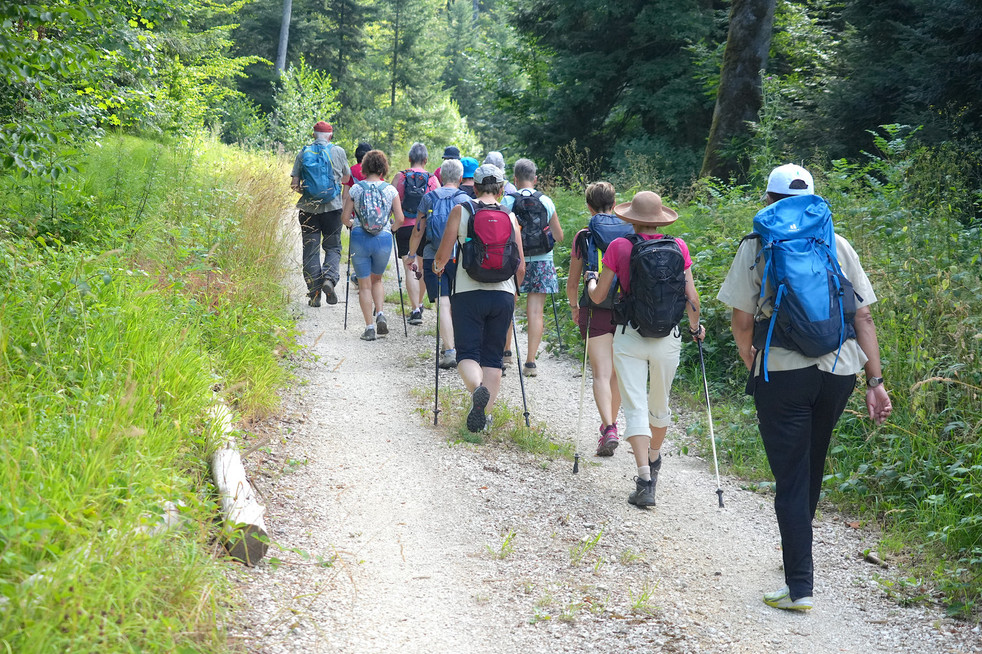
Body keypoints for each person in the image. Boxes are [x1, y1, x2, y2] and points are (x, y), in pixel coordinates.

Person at [716, 163, 892, 612]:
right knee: (811, 462)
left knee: (791, 477)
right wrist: (875, 380)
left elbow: (740, 320)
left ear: (768, 200)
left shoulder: (758, 244)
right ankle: (798, 558)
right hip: (839, 371)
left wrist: (754, 362)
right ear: (813, 198)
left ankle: (800, 586)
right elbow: (863, 317)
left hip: (784, 370)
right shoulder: (835, 242)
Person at [586, 190, 703, 507]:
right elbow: (692, 298)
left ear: (631, 219)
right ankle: (654, 458)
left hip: (630, 336)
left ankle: (644, 480)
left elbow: (599, 298)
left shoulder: (619, 247)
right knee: (659, 404)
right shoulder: (679, 247)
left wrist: (591, 281)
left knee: (635, 406)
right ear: (659, 219)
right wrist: (695, 328)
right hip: (668, 338)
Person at [432, 164, 526, 432]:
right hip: (503, 294)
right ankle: (485, 418)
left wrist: (437, 268)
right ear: (500, 188)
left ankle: (477, 390)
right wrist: (515, 291)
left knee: (468, 353)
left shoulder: (461, 211)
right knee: (493, 358)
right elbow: (519, 265)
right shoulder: (510, 217)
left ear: (474, 186)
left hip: (467, 292)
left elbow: (443, 254)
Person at [566, 181, 627, 455]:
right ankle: (609, 426)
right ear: (615, 204)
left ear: (589, 206)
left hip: (595, 307)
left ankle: (609, 427)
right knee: (615, 375)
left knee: (601, 374)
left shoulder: (584, 235)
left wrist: (574, 307)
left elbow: (572, 281)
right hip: (625, 311)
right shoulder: (630, 232)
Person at [502, 158, 564, 377]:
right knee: (535, 312)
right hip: (542, 260)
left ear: (515, 179)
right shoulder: (546, 201)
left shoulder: (507, 201)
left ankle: (506, 353)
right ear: (535, 179)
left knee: (508, 305)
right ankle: (530, 363)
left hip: (514, 261)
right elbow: (559, 235)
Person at [409, 158, 469, 369]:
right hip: (460, 258)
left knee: (443, 302)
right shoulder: (466, 199)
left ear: (441, 177)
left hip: (434, 256)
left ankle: (449, 350)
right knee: (459, 303)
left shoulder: (429, 197)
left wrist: (411, 254)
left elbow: (418, 230)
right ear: (461, 178)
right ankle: (463, 347)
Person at [341, 150, 405, 341]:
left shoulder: (356, 190)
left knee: (364, 285)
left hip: (360, 237)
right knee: (377, 280)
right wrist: (390, 229)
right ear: (383, 168)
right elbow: (400, 219)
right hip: (383, 238)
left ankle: (369, 327)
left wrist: (354, 225)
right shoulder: (390, 190)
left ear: (365, 167)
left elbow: (345, 219)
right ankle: (381, 314)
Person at [290, 121, 351, 307]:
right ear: (330, 136)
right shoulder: (338, 152)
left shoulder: (303, 152)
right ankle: (329, 280)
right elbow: (347, 178)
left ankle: (314, 294)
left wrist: (308, 193)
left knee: (310, 251)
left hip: (308, 210)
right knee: (332, 247)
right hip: (333, 209)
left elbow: (294, 184)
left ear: (313, 135)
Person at [393, 143, 441, 325]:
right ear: (426, 160)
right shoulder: (432, 180)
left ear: (409, 158)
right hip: (424, 229)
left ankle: (414, 310)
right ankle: (420, 303)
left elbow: (392, 201)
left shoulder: (400, 177)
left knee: (409, 268)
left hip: (404, 226)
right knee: (421, 268)